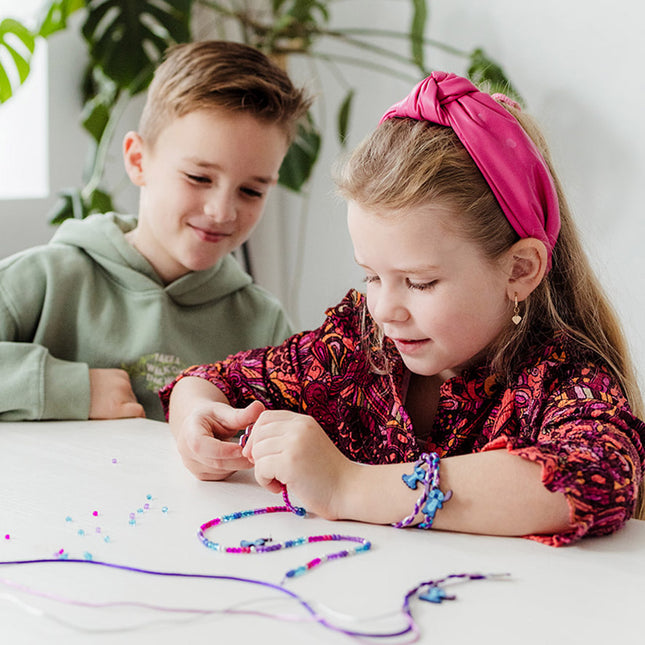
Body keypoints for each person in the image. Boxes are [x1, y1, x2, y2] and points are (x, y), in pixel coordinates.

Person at [161, 71, 645, 544]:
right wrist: (196, 421)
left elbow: (597, 477)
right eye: (371, 276)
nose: (386, 308)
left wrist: (347, 486)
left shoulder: (563, 376)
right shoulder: (358, 342)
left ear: (519, 270)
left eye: (419, 282)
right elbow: (216, 380)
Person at [0, 40, 312, 422]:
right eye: (199, 177)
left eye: (252, 190)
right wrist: (67, 388)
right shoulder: (44, 281)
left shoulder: (265, 324)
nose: (221, 211)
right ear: (137, 160)